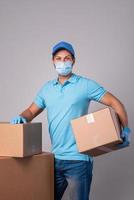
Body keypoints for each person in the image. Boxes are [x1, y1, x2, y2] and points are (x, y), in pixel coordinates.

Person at [10, 41, 131, 200]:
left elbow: (116, 103)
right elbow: (31, 111)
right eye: (59, 58)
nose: (63, 62)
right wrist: (22, 117)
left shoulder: (85, 85)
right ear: (53, 61)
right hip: (54, 159)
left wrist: (126, 129)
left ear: (73, 61)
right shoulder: (47, 89)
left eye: (67, 58)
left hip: (78, 161)